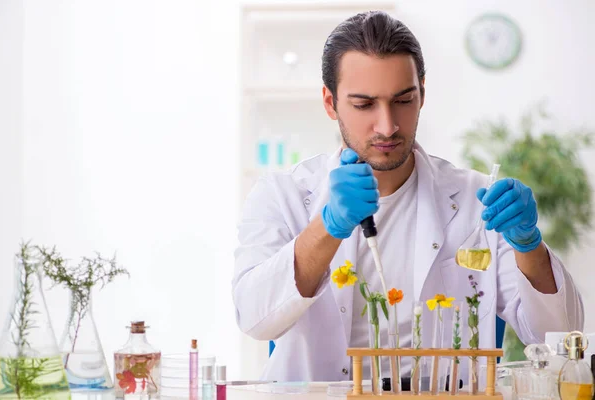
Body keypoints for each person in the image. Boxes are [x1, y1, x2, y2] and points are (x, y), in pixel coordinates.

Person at [232, 11, 584, 382]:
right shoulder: (281, 195)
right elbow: (254, 317)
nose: (387, 126)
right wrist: (327, 226)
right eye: (364, 104)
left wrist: (530, 247)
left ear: (422, 94)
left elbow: (558, 338)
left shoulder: (475, 200)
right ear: (330, 103)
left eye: (402, 100)